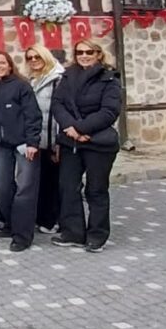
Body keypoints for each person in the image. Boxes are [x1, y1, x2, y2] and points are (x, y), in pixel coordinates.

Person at [50, 38, 123, 253]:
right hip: (70, 141)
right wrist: (70, 128)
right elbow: (58, 103)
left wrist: (82, 129)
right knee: (68, 187)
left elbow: (109, 111)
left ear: (98, 54)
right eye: (80, 52)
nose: (84, 55)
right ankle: (73, 232)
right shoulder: (68, 75)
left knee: (96, 190)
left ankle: (97, 235)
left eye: (89, 52)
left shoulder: (109, 79)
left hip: (98, 142)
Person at [0, 51, 43, 252]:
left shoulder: (21, 86)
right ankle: (10, 224)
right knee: (1, 186)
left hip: (24, 144)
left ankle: (23, 235)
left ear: (10, 65)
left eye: (3, 62)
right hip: (1, 144)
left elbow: (33, 115)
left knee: (25, 189)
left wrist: (32, 142)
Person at [26, 44, 65, 234]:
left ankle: (53, 220)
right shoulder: (33, 80)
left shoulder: (57, 79)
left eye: (37, 57)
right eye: (30, 58)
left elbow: (59, 112)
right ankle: (42, 216)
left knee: (53, 182)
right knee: (40, 181)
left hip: (51, 138)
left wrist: (58, 142)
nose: (34, 61)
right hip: (37, 138)